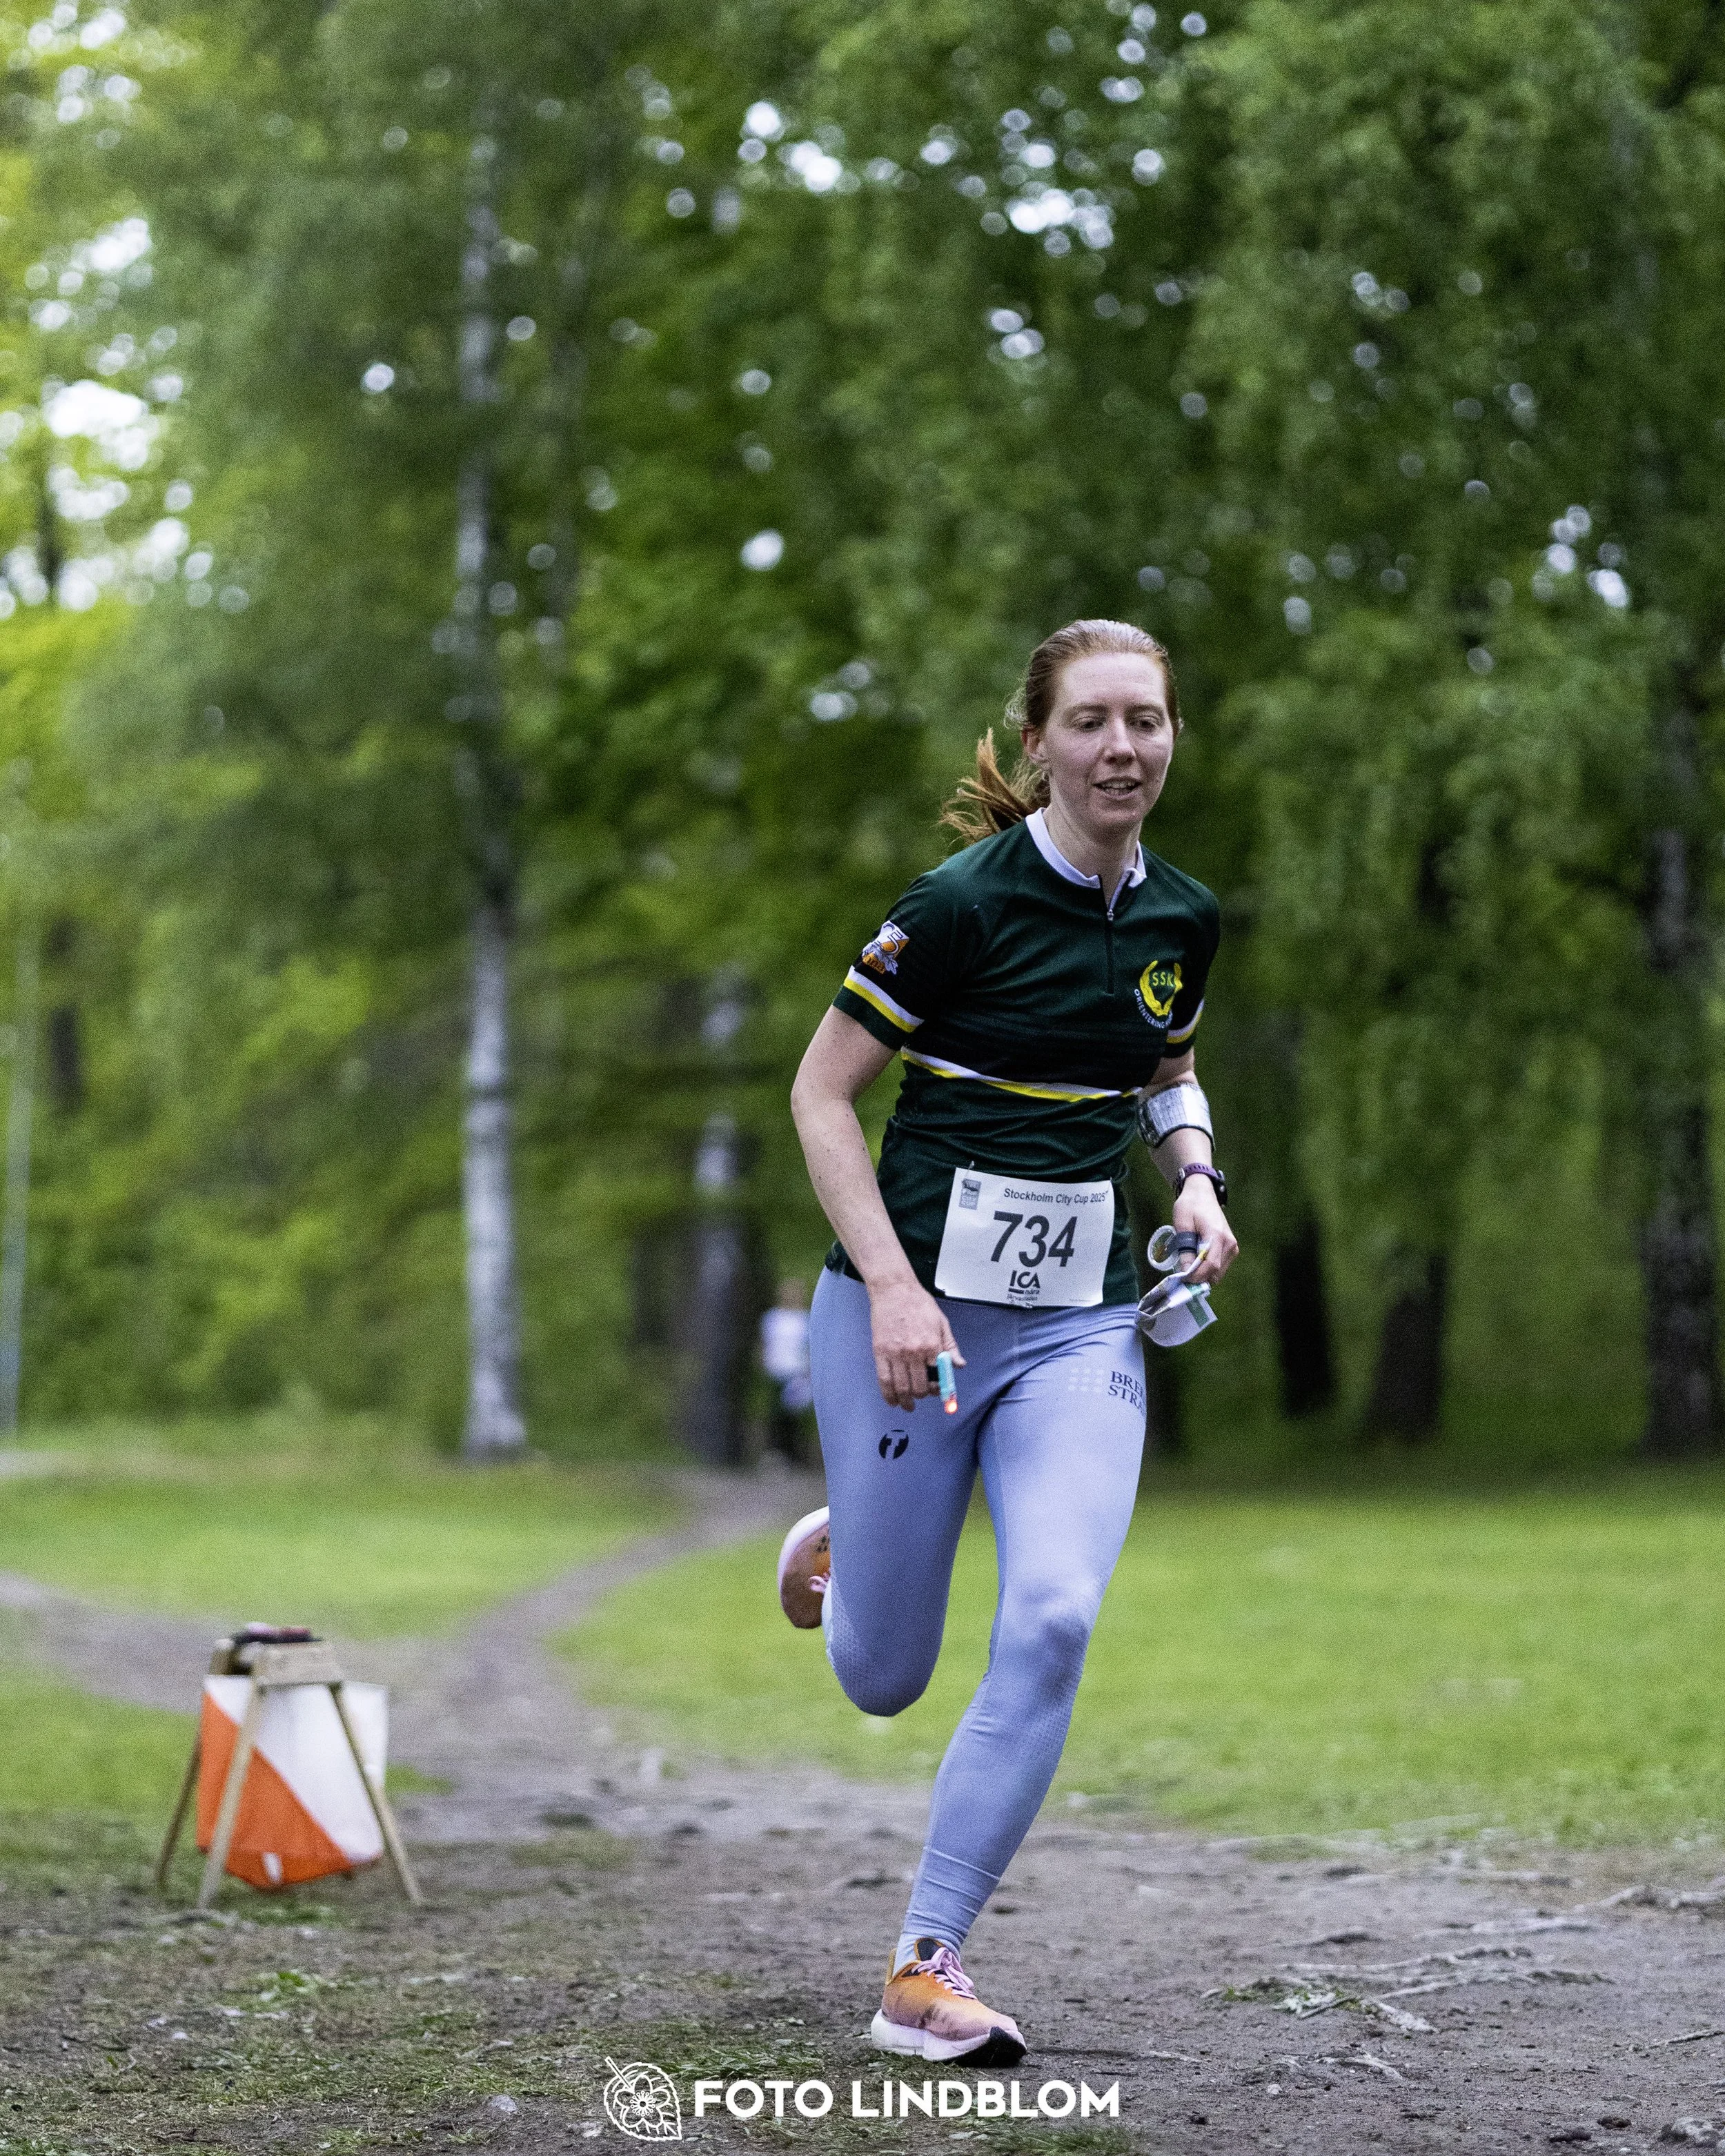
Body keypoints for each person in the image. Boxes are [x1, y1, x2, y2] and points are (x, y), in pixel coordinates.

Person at [779, 618, 1237, 2066]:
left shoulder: (1182, 915)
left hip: (1079, 1325)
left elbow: (1166, 1069)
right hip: (906, 1323)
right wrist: (891, 1285)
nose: (1121, 747)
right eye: (1090, 721)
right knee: (882, 1676)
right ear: (1038, 741)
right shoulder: (960, 906)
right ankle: (852, 1543)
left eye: (1145, 720)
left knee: (1051, 1618)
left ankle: (924, 1963)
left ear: (1172, 737)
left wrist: (1197, 1179)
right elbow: (819, 1095)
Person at [759, 1276, 814, 1462]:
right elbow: (765, 1343)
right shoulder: (772, 1318)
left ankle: (794, 1454)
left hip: (797, 1372)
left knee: (795, 1416)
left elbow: (809, 1347)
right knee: (775, 1413)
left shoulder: (806, 1319)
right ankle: (775, 1452)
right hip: (776, 1371)